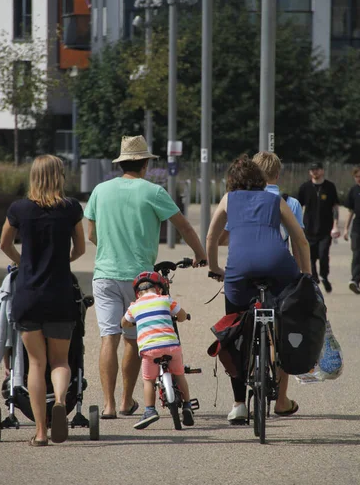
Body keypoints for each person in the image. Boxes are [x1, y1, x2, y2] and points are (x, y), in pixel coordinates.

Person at [84, 135, 206, 420]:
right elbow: (185, 227)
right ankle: (127, 401)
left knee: (108, 337)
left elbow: (91, 234)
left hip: (104, 275)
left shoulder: (100, 190)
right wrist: (201, 255)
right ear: (145, 165)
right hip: (138, 280)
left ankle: (109, 406)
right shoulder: (153, 192)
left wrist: (110, 249)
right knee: (131, 340)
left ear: (122, 163)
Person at [206, 154, 311, 424]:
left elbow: (212, 237)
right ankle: (282, 390)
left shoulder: (229, 199)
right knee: (287, 316)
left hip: (240, 271)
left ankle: (239, 404)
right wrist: (307, 276)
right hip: (278, 266)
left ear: (233, 181)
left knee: (234, 328)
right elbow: (300, 240)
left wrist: (215, 268)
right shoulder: (277, 200)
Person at [0, 155, 85, 446]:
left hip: (28, 295)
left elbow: (4, 244)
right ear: (59, 176)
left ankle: (39, 432)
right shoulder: (71, 208)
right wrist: (63, 260)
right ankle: (60, 401)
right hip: (60, 293)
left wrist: (23, 262)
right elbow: (81, 249)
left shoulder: (18, 209)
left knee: (36, 363)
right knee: (60, 360)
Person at [121, 271, 194, 429]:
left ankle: (150, 410)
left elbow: (124, 323)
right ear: (159, 289)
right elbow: (180, 316)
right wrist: (185, 316)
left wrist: (131, 322)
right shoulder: (165, 299)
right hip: (171, 346)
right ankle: (187, 405)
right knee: (180, 374)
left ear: (138, 293)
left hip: (149, 350)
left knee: (149, 380)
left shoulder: (135, 306)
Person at [298, 161, 340, 293]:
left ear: (322, 171)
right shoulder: (305, 187)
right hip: (309, 229)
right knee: (310, 256)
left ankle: (324, 276)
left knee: (323, 255)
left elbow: (335, 207)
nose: (314, 172)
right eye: (312, 170)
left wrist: (336, 225)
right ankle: (314, 278)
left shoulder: (330, 187)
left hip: (325, 229)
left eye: (317, 169)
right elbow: (298, 206)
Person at [343, 165, 360, 294]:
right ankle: (355, 281)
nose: (358, 179)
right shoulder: (353, 191)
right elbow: (350, 211)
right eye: (356, 177)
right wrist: (346, 228)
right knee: (356, 254)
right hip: (357, 228)